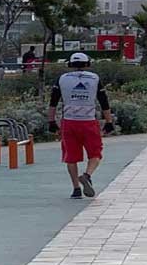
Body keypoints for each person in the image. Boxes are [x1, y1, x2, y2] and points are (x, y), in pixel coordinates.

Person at [48, 52, 114, 199]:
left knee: (71, 157)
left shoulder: (62, 79)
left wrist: (51, 121)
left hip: (69, 122)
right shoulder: (94, 78)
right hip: (89, 121)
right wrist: (109, 121)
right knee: (95, 153)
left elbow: (53, 102)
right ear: (87, 64)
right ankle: (87, 175)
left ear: (70, 64)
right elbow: (104, 101)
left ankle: (76, 189)